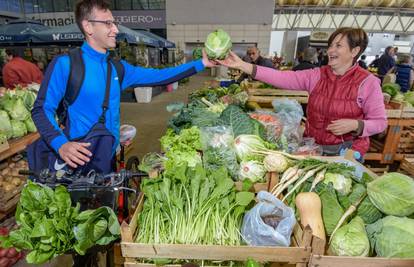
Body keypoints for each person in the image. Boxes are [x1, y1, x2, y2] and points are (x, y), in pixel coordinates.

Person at [29, 0, 215, 175]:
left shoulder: (118, 68)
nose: (116, 29)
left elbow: (160, 76)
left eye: (114, 23)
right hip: (78, 159)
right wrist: (61, 144)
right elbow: (41, 109)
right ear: (88, 26)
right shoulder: (66, 64)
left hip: (108, 155)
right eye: (108, 23)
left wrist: (201, 64)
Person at [218, 27, 387, 159]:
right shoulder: (316, 75)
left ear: (354, 51)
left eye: (338, 46)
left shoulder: (367, 83)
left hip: (347, 151)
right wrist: (243, 66)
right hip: (313, 148)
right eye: (330, 45)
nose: (330, 50)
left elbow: (380, 123)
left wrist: (356, 125)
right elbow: (281, 77)